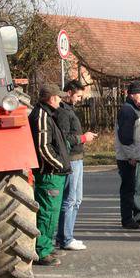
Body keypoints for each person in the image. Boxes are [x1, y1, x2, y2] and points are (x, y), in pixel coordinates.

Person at [31, 84, 72, 266]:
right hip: (49, 173)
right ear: (51, 98)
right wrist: (58, 165)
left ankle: (46, 245)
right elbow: (43, 147)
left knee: (51, 214)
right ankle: (41, 250)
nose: (61, 100)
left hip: (55, 172)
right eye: (58, 97)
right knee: (47, 214)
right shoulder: (41, 115)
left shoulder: (48, 114)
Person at [56, 80, 97, 251]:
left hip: (78, 158)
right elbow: (63, 138)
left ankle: (67, 235)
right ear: (69, 92)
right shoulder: (63, 112)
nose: (80, 99)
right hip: (71, 159)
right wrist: (83, 138)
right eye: (78, 95)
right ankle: (65, 238)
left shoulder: (70, 110)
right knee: (70, 199)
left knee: (77, 199)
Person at [115, 81, 140, 229]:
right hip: (129, 158)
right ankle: (127, 218)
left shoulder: (138, 109)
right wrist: (131, 156)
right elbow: (125, 137)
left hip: (138, 156)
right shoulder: (127, 110)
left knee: (137, 187)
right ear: (132, 95)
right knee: (128, 188)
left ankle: (137, 214)